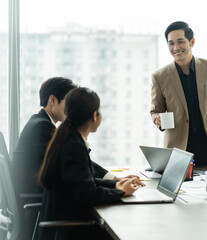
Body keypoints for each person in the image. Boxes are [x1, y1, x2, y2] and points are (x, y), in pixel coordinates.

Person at [38, 87, 142, 240]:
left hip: (66, 224)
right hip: (71, 230)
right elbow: (87, 195)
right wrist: (122, 192)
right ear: (95, 115)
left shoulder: (68, 137)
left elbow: (84, 183)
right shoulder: (74, 145)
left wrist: (115, 184)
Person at [12, 77, 125, 196]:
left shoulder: (39, 121)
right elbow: (76, 164)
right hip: (33, 195)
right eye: (68, 102)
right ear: (52, 100)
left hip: (37, 191)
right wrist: (114, 181)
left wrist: (113, 180)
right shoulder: (42, 127)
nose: (70, 109)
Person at [150, 21, 207, 170]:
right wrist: (158, 119)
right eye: (171, 43)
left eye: (180, 42)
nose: (176, 48)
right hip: (178, 149)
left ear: (192, 41)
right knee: (179, 191)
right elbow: (155, 111)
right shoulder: (159, 77)